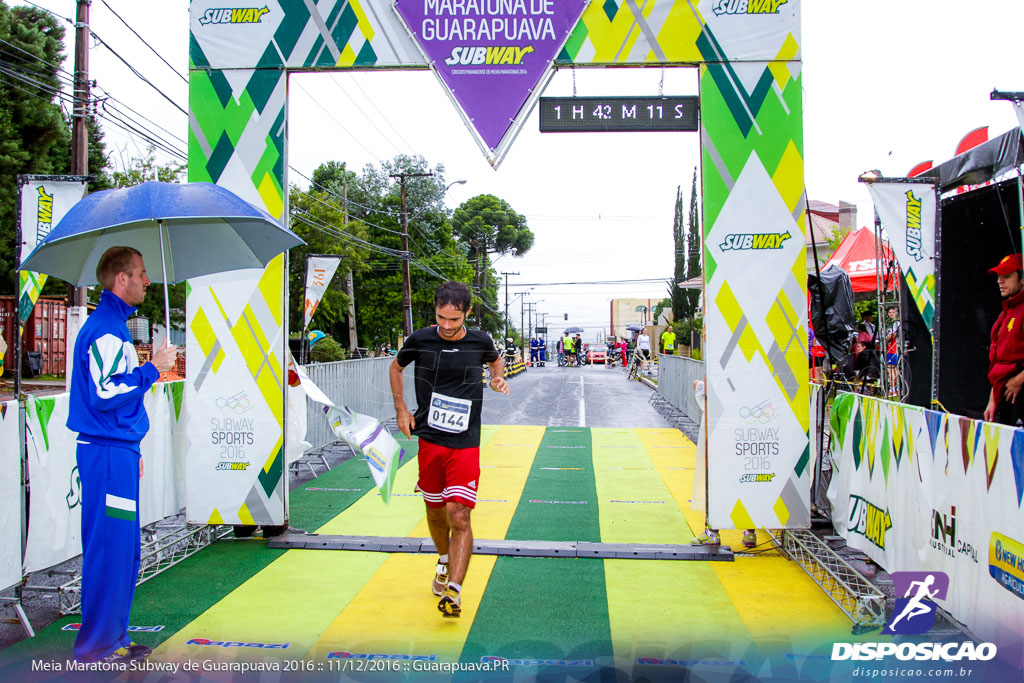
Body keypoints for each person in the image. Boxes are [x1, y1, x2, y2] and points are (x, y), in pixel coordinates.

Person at [66, 246, 178, 663]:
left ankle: (112, 638)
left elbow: (110, 394)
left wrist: (131, 446)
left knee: (123, 548)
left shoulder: (112, 325)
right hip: (107, 453)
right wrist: (155, 368)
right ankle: (98, 646)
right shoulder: (107, 329)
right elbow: (105, 392)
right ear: (121, 280)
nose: (148, 281)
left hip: (116, 450)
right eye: (142, 273)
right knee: (111, 547)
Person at [389, 281, 509, 618]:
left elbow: (496, 363)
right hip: (429, 439)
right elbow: (395, 368)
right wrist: (401, 410)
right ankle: (443, 559)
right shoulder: (420, 340)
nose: (446, 326)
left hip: (465, 442)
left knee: (459, 513)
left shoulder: (480, 341)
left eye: (454, 321)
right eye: (441, 318)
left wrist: (497, 378)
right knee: (434, 511)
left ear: (467, 313)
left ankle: (454, 590)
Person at [985, 254, 1024, 425]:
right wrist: (992, 400)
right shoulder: (1005, 313)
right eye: (999, 277)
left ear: (1022, 278)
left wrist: (1019, 379)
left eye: (1007, 276)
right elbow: (997, 363)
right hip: (1006, 400)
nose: (1000, 281)